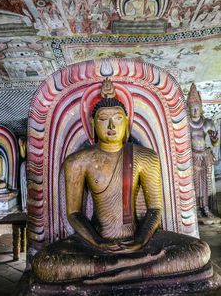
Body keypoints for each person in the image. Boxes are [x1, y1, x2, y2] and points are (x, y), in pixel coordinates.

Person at [32, 78, 211, 285]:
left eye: (117, 118)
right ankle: (135, 271)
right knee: (46, 263)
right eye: (103, 119)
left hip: (139, 240)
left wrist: (140, 240)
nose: (110, 125)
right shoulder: (78, 162)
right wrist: (97, 241)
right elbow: (74, 213)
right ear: (92, 124)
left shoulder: (146, 157)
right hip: (97, 242)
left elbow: (155, 208)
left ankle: (110, 272)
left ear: (127, 123)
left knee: (198, 251)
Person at [187, 83, 219, 218]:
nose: (195, 111)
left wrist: (214, 137)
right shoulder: (185, 122)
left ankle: (206, 208)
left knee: (206, 184)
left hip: (204, 155)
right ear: (188, 109)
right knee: (194, 183)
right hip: (192, 157)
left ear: (201, 108)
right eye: (192, 108)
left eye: (197, 108)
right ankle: (195, 209)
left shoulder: (207, 123)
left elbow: (215, 143)